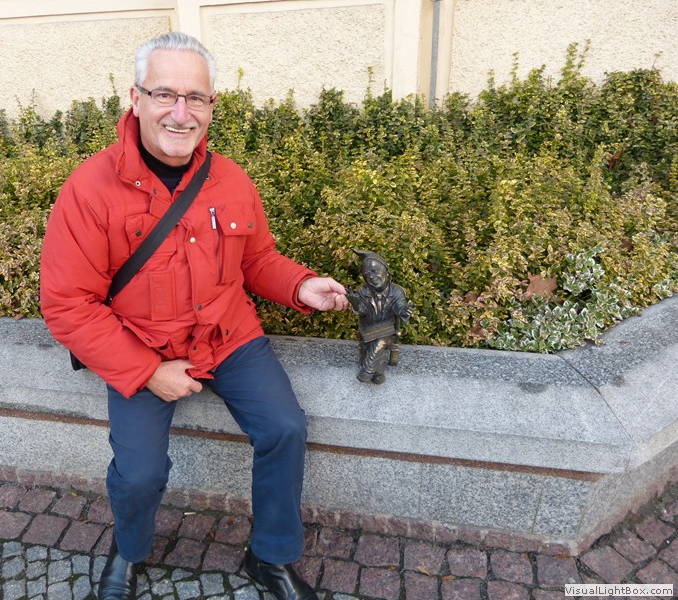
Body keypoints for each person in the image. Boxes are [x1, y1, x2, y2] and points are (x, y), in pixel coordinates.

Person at [39, 31, 349, 600]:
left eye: (196, 98)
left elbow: (256, 259)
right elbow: (67, 305)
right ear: (135, 99)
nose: (180, 113)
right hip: (141, 347)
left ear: (211, 106)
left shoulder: (231, 179)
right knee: (140, 474)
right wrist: (147, 372)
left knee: (285, 428)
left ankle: (271, 557)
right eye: (164, 94)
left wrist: (301, 286)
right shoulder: (88, 190)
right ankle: (129, 550)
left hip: (229, 336)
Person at [346, 250, 413, 384]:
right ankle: (378, 372)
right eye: (366, 274)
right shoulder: (363, 290)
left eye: (374, 271)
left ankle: (367, 372)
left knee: (381, 340)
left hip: (388, 330)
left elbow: (399, 308)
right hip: (369, 327)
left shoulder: (397, 292)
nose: (371, 277)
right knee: (377, 340)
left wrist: (405, 310)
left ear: (386, 272)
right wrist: (356, 303)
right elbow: (363, 311)